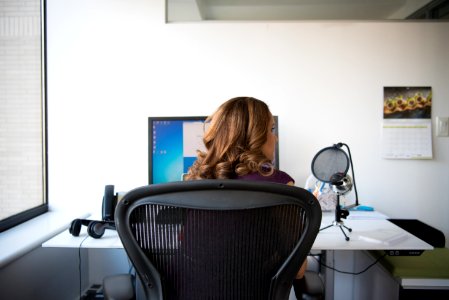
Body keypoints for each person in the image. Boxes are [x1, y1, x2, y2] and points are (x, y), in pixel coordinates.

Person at [185, 96, 307, 299]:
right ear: (255, 137)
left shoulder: (195, 180)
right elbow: (298, 270)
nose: (275, 138)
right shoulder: (280, 186)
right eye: (271, 130)